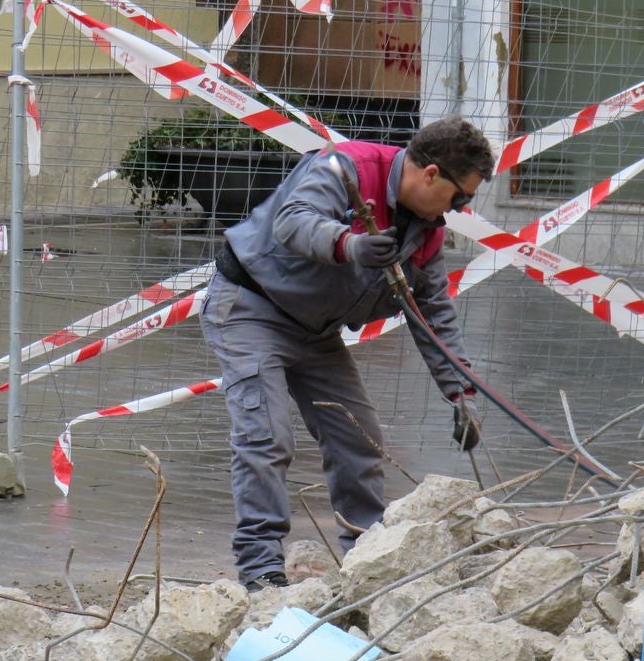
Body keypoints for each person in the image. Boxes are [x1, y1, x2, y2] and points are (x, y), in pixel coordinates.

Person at [200, 116, 494, 591]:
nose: (458, 208)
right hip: (250, 307)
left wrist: (462, 394)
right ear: (432, 175)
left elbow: (434, 316)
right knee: (266, 436)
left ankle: (369, 559)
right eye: (461, 196)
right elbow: (294, 221)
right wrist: (350, 245)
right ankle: (261, 573)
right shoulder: (347, 167)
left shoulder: (426, 234)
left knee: (358, 439)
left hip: (315, 332)